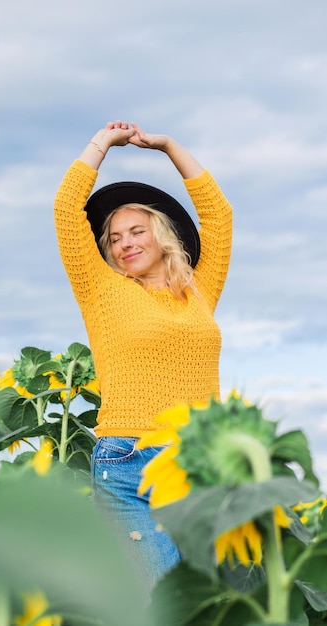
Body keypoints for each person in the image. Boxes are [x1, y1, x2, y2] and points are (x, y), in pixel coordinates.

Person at [54, 120, 232, 591]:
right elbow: (65, 211)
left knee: (204, 606)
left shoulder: (197, 291)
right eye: (114, 238)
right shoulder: (102, 292)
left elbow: (219, 217)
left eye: (136, 230)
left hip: (201, 463)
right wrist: (102, 143)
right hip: (128, 462)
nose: (125, 243)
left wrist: (170, 146)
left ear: (160, 233)